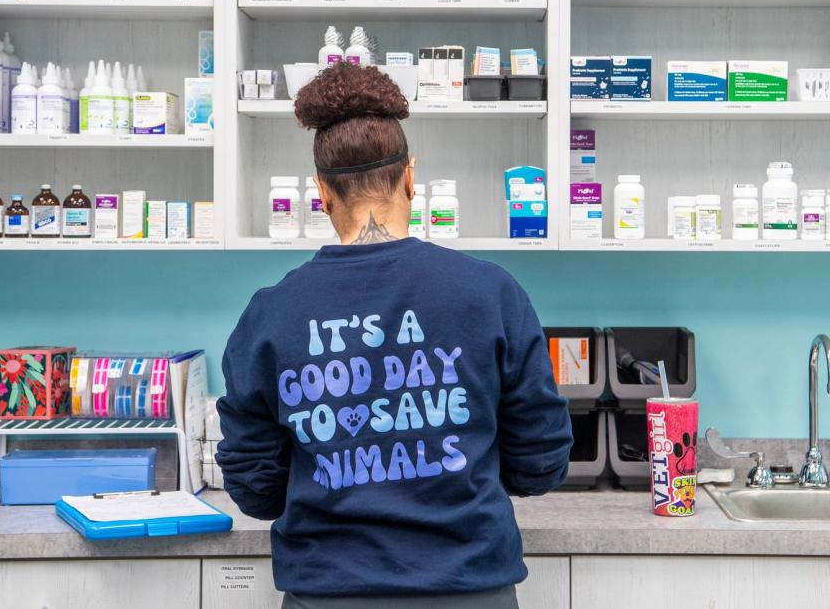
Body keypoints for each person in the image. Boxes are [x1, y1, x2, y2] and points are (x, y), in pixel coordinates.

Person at [216, 63, 574, 608]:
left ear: (321, 192)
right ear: (410, 177)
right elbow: (541, 463)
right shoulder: (490, 294)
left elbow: (255, 488)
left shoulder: (270, 315)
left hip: (328, 594)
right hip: (469, 591)